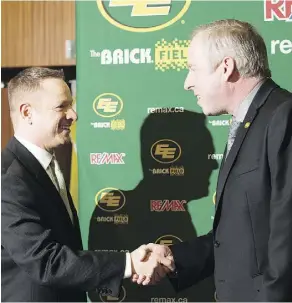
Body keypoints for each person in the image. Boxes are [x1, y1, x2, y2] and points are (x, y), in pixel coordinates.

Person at [132, 19, 292, 302]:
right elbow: (244, 233)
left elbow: (286, 233)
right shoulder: (250, 122)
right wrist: (174, 256)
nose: (187, 82)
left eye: (193, 69)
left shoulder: (282, 116)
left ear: (226, 68)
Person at [1, 67, 174, 302]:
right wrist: (129, 262)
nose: (73, 114)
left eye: (70, 104)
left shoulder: (43, 166)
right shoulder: (8, 178)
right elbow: (45, 262)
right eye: (61, 106)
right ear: (27, 112)